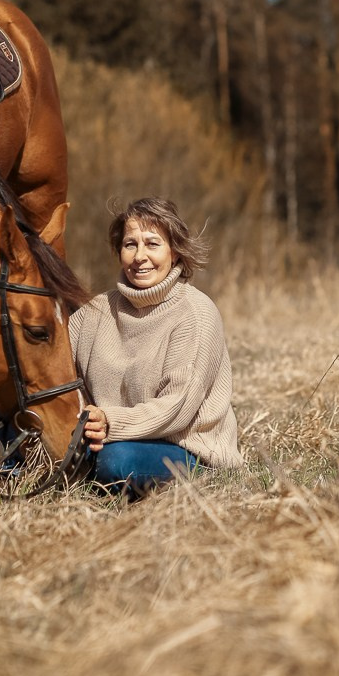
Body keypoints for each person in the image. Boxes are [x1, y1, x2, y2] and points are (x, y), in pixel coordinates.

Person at [69, 196, 242, 496]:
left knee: (115, 461)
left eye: (152, 244)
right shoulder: (96, 310)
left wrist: (110, 422)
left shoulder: (196, 313)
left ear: (174, 252)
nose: (139, 257)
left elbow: (177, 407)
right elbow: (50, 360)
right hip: (106, 438)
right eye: (130, 244)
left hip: (184, 448)